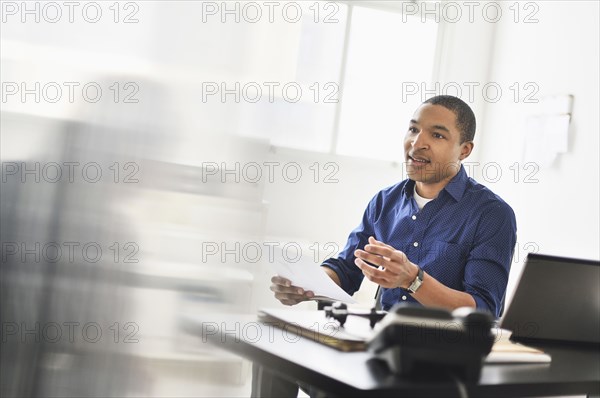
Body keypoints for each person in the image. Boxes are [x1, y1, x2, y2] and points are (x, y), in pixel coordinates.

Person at [256, 95, 517, 397]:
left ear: (465, 149)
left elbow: (483, 311)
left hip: (442, 360)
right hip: (379, 343)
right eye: (413, 129)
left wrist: (413, 280)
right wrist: (307, 286)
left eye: (437, 135)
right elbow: (345, 268)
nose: (418, 142)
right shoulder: (385, 202)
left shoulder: (491, 214)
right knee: (273, 350)